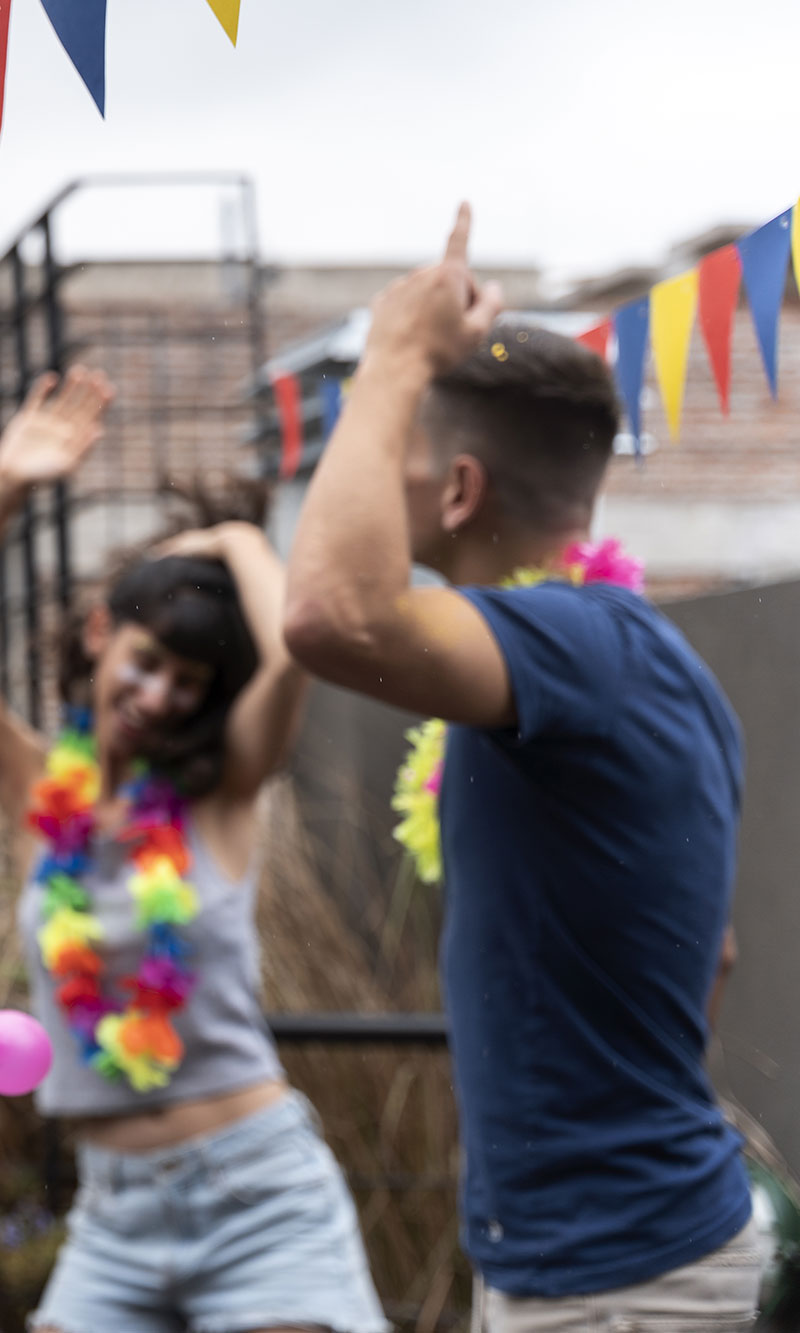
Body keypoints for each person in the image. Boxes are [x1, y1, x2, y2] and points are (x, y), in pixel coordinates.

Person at [283, 205, 760, 1327]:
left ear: (453, 492)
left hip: (617, 1278)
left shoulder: (581, 648)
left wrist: (397, 351)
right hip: (616, 1256)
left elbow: (326, 614)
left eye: (388, 450)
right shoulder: (628, 661)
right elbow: (717, 953)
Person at [0, 369, 386, 1333]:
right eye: (148, 660)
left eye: (190, 681)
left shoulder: (225, 790)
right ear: (100, 635)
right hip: (112, 1214)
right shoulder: (39, 790)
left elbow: (294, 649)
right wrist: (7, 485)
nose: (162, 694)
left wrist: (235, 536)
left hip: (259, 1199)